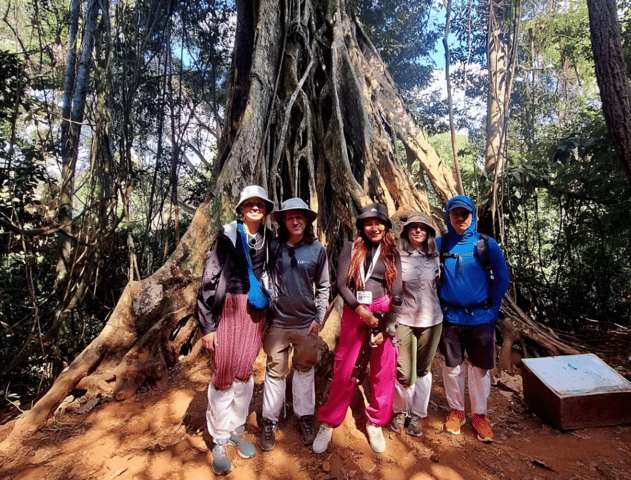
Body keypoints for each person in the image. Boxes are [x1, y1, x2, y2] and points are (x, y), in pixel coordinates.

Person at [196, 185, 277, 475]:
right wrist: (207, 326)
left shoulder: (269, 240)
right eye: (250, 204)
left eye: (260, 204)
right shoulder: (227, 236)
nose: (255, 208)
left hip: (255, 311)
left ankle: (235, 428)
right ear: (241, 208)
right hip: (229, 307)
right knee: (224, 373)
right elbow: (209, 279)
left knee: (244, 371)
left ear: (265, 210)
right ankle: (219, 439)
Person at [313, 203, 402, 454]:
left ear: (385, 225)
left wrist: (385, 326)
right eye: (368, 223)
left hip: (383, 311)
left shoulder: (393, 251)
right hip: (355, 311)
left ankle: (376, 422)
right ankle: (330, 420)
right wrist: (359, 310)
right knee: (345, 365)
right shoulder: (350, 248)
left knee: (383, 369)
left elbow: (397, 291)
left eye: (378, 223)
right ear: (362, 226)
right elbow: (341, 284)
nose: (374, 228)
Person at [258, 198, 330, 451]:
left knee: (304, 371)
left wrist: (319, 317)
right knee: (275, 372)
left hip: (305, 324)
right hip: (277, 323)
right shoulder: (273, 247)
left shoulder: (317, 250)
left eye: (300, 216)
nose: (296, 221)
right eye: (290, 217)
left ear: (307, 220)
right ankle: (269, 421)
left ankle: (304, 418)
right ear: (283, 221)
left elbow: (323, 286)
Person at [436, 195, 510, 443]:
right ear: (448, 216)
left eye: (465, 214)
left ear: (472, 216)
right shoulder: (441, 243)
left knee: (480, 369)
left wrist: (493, 308)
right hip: (451, 316)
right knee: (452, 367)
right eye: (455, 214)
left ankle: (479, 415)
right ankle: (457, 410)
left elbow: (502, 279)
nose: (460, 218)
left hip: (481, 317)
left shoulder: (487, 245)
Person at [390, 211, 443, 437]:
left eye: (423, 228)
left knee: (423, 370)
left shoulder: (436, 257)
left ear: (429, 233)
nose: (418, 231)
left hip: (431, 321)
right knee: (404, 372)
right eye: (413, 227)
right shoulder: (398, 257)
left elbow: (440, 286)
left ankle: (417, 415)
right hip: (404, 319)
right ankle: (400, 411)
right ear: (407, 232)